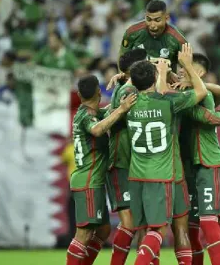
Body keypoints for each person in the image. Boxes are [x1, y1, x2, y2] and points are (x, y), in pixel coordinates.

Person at [126, 44, 207, 265]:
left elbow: (134, 85)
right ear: (153, 77)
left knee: (144, 231)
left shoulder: (126, 101)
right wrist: (186, 66)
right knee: (165, 230)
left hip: (137, 175)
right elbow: (201, 92)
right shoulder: (167, 102)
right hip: (164, 175)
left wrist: (152, 74)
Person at [65, 75, 136, 265]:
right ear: (99, 92)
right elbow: (97, 129)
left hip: (92, 180)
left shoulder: (90, 112)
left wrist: (126, 80)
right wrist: (122, 108)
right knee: (84, 233)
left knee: (103, 230)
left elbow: (109, 112)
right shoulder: (87, 117)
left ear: (79, 94)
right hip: (88, 181)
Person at [176, 53, 220, 265]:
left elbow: (209, 116)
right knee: (192, 227)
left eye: (184, 68)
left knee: (209, 222)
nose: (180, 71)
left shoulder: (201, 95)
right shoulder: (186, 91)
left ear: (197, 72)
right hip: (190, 168)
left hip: (209, 164)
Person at [106, 48, 148, 265]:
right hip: (121, 161)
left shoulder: (127, 86)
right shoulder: (129, 90)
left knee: (142, 223)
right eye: (146, 62)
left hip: (135, 164)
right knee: (131, 224)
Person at [119, 0, 187, 71]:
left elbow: (188, 67)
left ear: (166, 18)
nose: (152, 25)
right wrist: (122, 77)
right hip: (137, 80)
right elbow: (122, 57)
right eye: (149, 19)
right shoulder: (132, 32)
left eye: (157, 20)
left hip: (165, 81)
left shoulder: (178, 38)